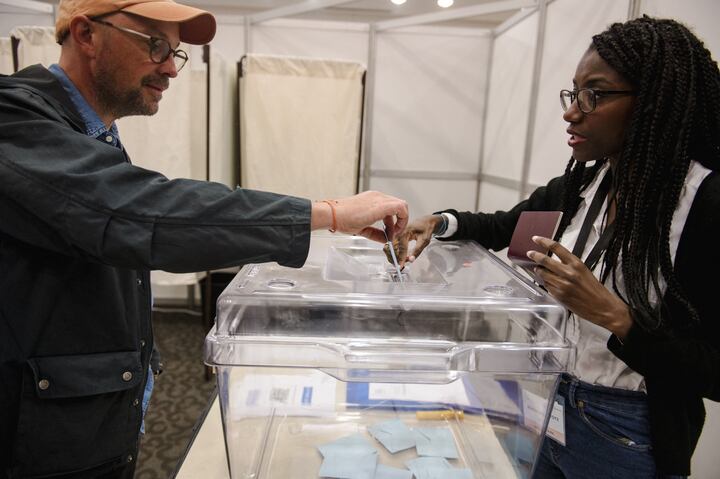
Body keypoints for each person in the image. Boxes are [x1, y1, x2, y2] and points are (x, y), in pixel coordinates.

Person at [0, 0, 408, 477]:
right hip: (35, 439)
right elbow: (140, 212)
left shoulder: (94, 134)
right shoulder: (14, 118)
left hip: (85, 419)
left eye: (176, 52)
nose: (171, 67)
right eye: (155, 45)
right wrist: (327, 213)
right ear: (87, 35)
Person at [392, 16, 719, 479]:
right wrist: (439, 223)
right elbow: (503, 226)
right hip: (551, 399)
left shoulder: (705, 207)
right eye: (573, 93)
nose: (571, 112)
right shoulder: (585, 183)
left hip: (628, 430)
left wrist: (618, 319)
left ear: (653, 103)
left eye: (595, 94)